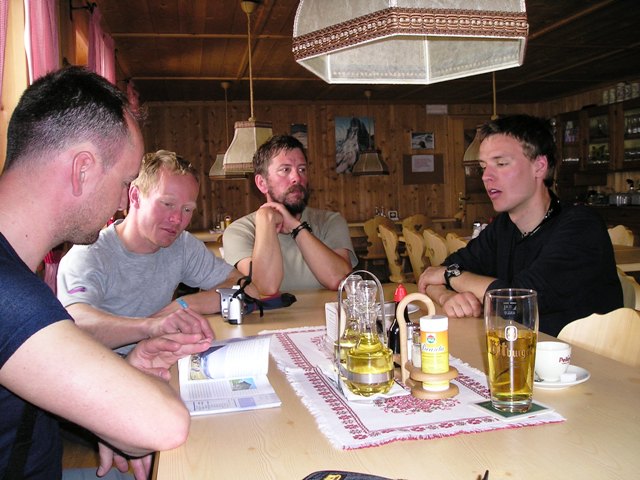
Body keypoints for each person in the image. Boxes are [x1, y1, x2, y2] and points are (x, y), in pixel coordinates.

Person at [0, 66, 212, 479]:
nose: (121, 202)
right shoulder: (8, 291)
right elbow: (162, 425)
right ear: (82, 169)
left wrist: (128, 370)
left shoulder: (18, 273)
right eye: (125, 181)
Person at [418, 114, 623, 337]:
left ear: (539, 167)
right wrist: (448, 296)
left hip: (586, 364)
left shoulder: (582, 226)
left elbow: (517, 303)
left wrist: (450, 276)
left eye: (501, 163)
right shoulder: (504, 227)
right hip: (524, 353)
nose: (486, 176)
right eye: (483, 167)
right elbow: (433, 274)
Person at [57, 149, 254, 352]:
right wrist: (151, 327)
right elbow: (74, 325)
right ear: (135, 196)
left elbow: (246, 287)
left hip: (158, 359)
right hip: (103, 369)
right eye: (167, 204)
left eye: (187, 209)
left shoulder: (182, 245)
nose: (177, 219)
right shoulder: (89, 254)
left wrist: (185, 304)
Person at [222, 135, 357, 295]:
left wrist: (295, 227)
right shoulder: (239, 231)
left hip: (327, 320)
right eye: (285, 170)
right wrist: (266, 218)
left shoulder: (330, 222)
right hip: (273, 321)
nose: (297, 178)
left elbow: (340, 280)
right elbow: (265, 287)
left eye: (302, 169)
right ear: (261, 183)